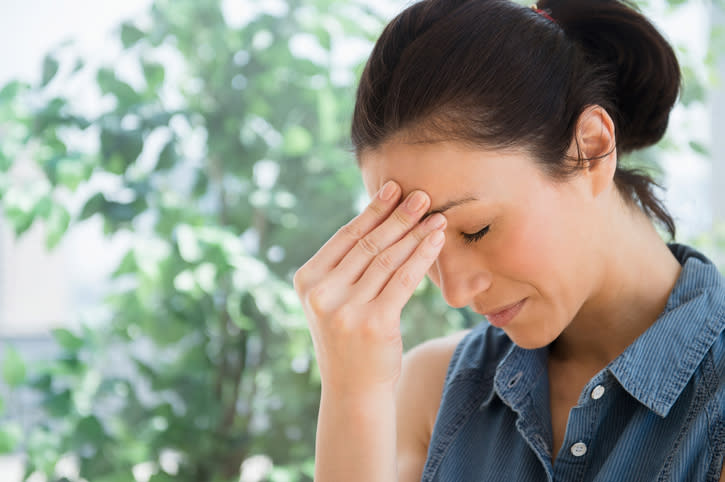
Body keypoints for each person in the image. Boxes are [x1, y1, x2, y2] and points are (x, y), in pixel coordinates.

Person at [292, 0, 725, 480]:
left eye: (476, 230)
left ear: (592, 149)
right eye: (422, 244)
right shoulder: (431, 392)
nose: (455, 292)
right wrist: (353, 393)